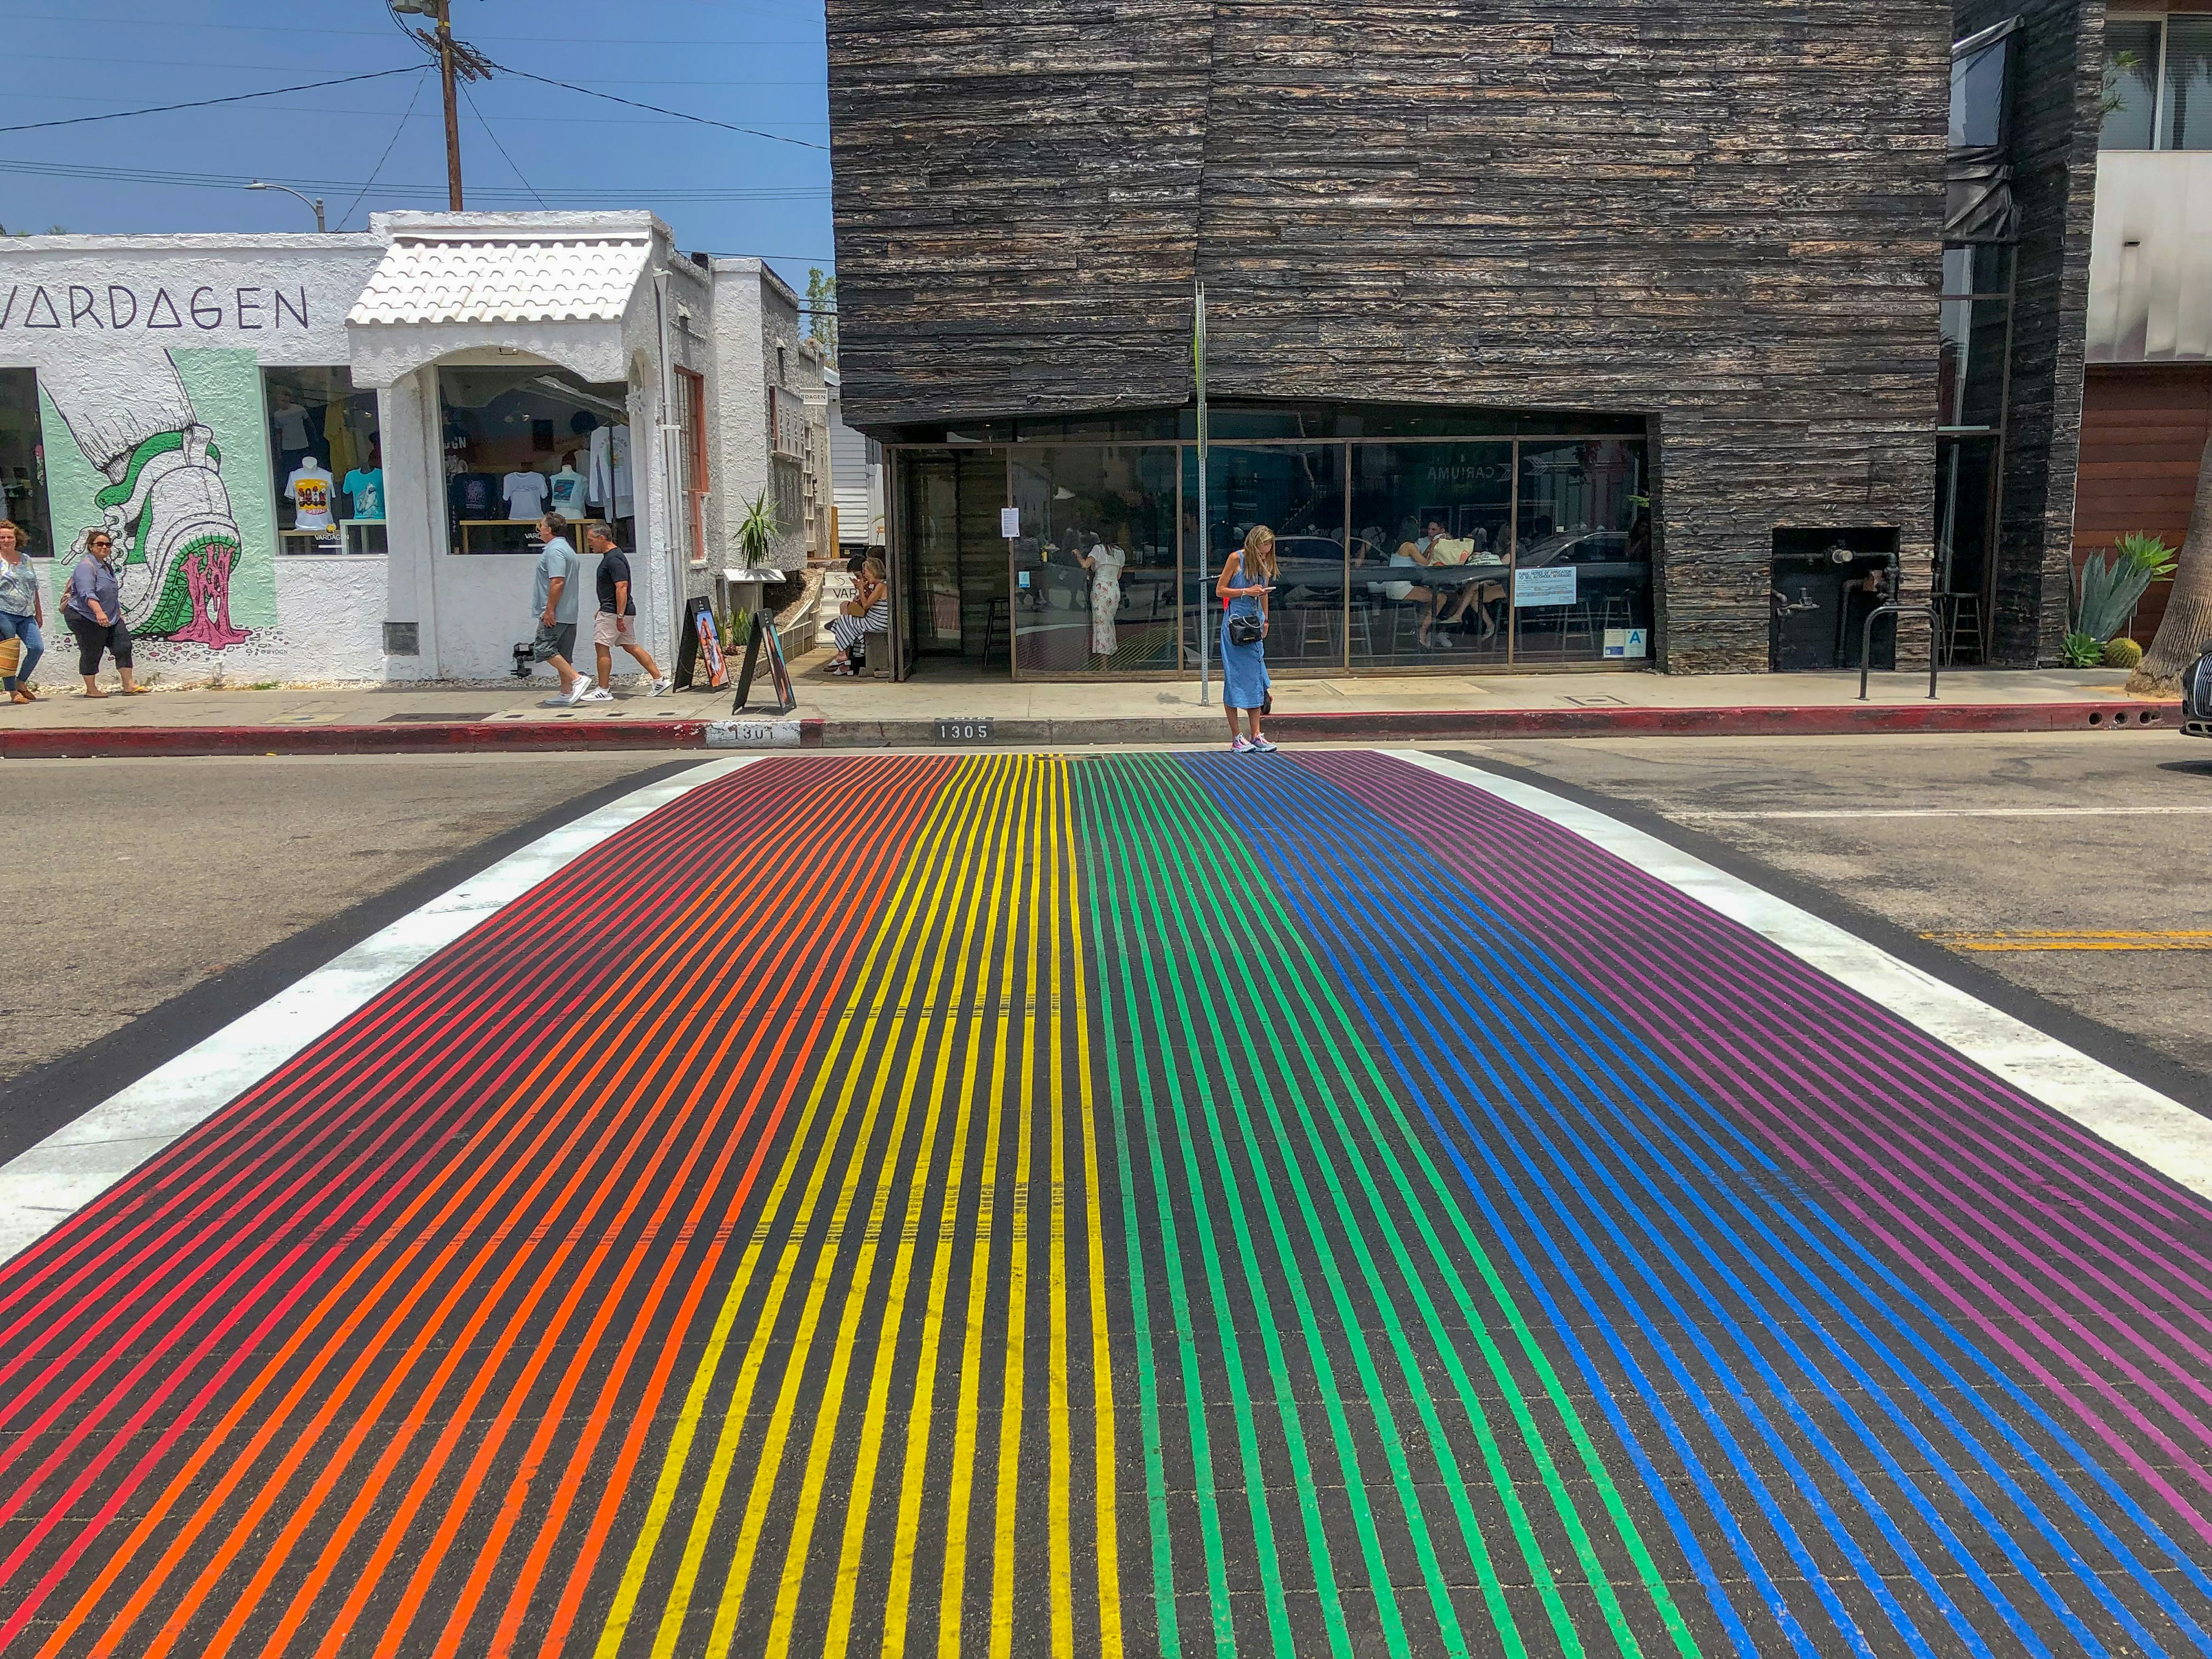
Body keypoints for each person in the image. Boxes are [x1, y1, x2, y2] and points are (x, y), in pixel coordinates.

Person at [585, 521, 672, 697]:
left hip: (614, 612)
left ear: (602, 538)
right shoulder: (613, 557)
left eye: (591, 540)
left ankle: (603, 690)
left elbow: (622, 587)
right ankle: (659, 680)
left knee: (602, 646)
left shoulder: (613, 559)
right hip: (615, 610)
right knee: (631, 646)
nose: (589, 544)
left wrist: (619, 615)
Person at [63, 527, 146, 698]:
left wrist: (117, 612)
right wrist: (99, 613)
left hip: (111, 616)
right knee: (92, 650)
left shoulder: (106, 567)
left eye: (108, 545)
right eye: (99, 544)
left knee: (123, 645)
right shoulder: (86, 567)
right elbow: (87, 593)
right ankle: (91, 689)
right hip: (85, 616)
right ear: (90, 546)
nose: (104, 547)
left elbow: (110, 593)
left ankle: (129, 685)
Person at [1215, 524, 1277, 752]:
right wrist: (1245, 592)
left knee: (1256, 678)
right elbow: (1220, 590)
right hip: (1236, 624)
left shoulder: (1264, 562)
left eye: (1268, 548)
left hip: (1254, 622)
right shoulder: (1236, 559)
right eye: (1262, 547)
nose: (1265, 552)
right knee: (1235, 678)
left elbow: (1263, 594)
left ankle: (1256, 734)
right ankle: (1236, 736)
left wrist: (1266, 620)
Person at [529, 513, 591, 705]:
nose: (539, 529)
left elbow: (557, 581)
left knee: (543, 648)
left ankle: (577, 679)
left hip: (556, 613)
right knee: (563, 654)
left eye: (541, 526)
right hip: (569, 613)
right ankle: (566, 693)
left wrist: (549, 610)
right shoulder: (566, 549)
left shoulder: (555, 551)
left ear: (549, 530)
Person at [0, 520, 44, 704]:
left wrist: (39, 612)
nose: (6, 540)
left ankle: (21, 682)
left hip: (27, 614)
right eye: (2, 537)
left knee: (37, 648)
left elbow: (34, 587)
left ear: (16, 539)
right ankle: (13, 692)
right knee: (9, 652)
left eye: (9, 537)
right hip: (4, 612)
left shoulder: (26, 559)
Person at [829, 555, 889, 676]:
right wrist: (865, 589)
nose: (864, 575)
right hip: (873, 621)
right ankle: (845, 658)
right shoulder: (880, 586)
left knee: (843, 621)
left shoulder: (881, 586)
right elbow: (872, 599)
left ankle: (842, 655)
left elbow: (866, 605)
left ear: (873, 572)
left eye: (865, 572)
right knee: (843, 622)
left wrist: (861, 589)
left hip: (876, 623)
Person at [1077, 528, 1128, 661]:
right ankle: (1110, 650)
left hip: (1101, 589)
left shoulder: (1098, 549)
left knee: (1101, 624)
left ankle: (1103, 660)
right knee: (1109, 622)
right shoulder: (1120, 552)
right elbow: (1118, 576)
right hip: (1114, 590)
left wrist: (1078, 555)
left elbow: (1085, 564)